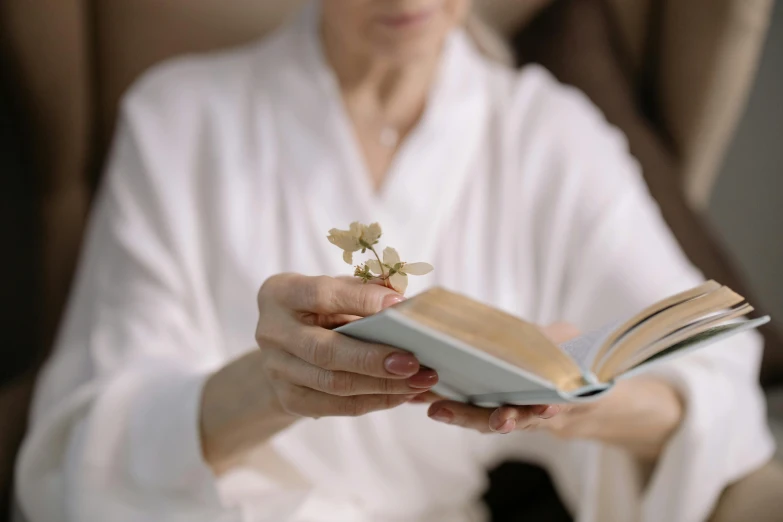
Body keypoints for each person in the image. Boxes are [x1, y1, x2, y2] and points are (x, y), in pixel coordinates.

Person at [15, 1, 774, 521]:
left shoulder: (549, 137)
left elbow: (717, 389)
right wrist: (276, 382)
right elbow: (88, 437)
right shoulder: (178, 121)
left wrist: (569, 400)